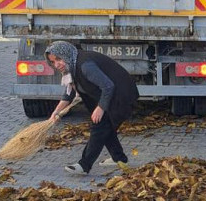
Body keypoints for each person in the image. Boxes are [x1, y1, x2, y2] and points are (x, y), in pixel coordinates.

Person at [45, 41, 139, 175]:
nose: (57, 64)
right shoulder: (70, 67)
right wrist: (56, 112)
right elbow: (69, 93)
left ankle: (84, 165)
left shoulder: (85, 66)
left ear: (65, 55)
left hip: (120, 95)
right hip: (107, 96)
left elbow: (108, 86)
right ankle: (120, 158)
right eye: (53, 62)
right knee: (106, 128)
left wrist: (100, 107)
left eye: (59, 59)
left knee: (99, 127)